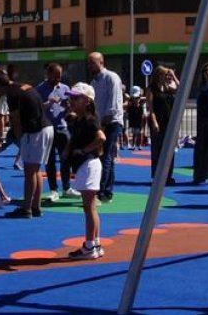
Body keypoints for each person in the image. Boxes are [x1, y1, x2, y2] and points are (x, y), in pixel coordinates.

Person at [63, 83, 106, 260]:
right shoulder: (82, 119)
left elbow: (101, 138)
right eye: (71, 97)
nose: (71, 100)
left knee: (89, 207)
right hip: (86, 164)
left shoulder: (90, 119)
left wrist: (84, 150)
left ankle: (89, 246)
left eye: (76, 98)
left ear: (87, 101)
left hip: (89, 164)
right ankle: (94, 243)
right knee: (91, 207)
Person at [2, 71, 53, 218]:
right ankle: (36, 207)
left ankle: (26, 208)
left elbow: (16, 121)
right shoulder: (24, 86)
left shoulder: (12, 94)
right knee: (36, 170)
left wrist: (21, 141)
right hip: (45, 127)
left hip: (34, 131)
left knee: (30, 171)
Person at [87, 52, 124, 202]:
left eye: (92, 63)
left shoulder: (111, 78)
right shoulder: (94, 82)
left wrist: (101, 126)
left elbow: (113, 107)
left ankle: (100, 191)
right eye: (88, 63)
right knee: (105, 156)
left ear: (101, 62)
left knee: (104, 157)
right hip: (101, 122)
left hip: (111, 122)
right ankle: (107, 191)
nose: (90, 66)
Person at [36, 62, 72, 201]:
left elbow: (70, 108)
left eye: (59, 76)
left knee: (66, 158)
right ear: (48, 74)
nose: (57, 79)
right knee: (50, 160)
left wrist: (68, 106)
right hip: (48, 129)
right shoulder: (40, 89)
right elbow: (38, 109)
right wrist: (49, 102)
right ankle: (53, 189)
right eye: (55, 76)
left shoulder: (65, 88)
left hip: (62, 128)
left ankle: (67, 187)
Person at [145, 65, 179, 185]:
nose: (167, 77)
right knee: (158, 150)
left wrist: (174, 76)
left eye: (167, 75)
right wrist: (154, 122)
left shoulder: (168, 87)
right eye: (165, 74)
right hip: (157, 122)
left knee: (169, 150)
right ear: (158, 75)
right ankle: (158, 176)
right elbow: (150, 108)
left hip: (169, 121)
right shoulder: (151, 89)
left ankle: (168, 176)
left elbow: (181, 89)